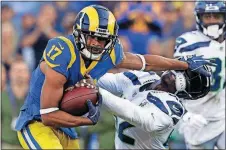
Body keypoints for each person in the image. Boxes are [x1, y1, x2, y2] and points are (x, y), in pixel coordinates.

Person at [15, 4, 213, 149]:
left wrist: (184, 64)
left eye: (101, 39)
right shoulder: (62, 51)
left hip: (66, 128)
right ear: (78, 34)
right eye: (90, 36)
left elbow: (144, 63)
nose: (95, 43)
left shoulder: (173, 106)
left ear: (110, 41)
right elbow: (48, 115)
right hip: (38, 121)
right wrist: (87, 117)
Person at [96, 65, 211, 149]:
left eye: (187, 77)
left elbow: (146, 120)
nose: (176, 75)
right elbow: (98, 80)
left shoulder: (173, 106)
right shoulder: (143, 76)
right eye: (183, 70)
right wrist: (81, 76)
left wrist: (98, 93)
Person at [172, 1, 225, 149]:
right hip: (197, 115)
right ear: (199, 18)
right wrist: (186, 113)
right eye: (208, 17)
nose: (213, 21)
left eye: (217, 16)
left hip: (221, 113)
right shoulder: (188, 43)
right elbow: (176, 82)